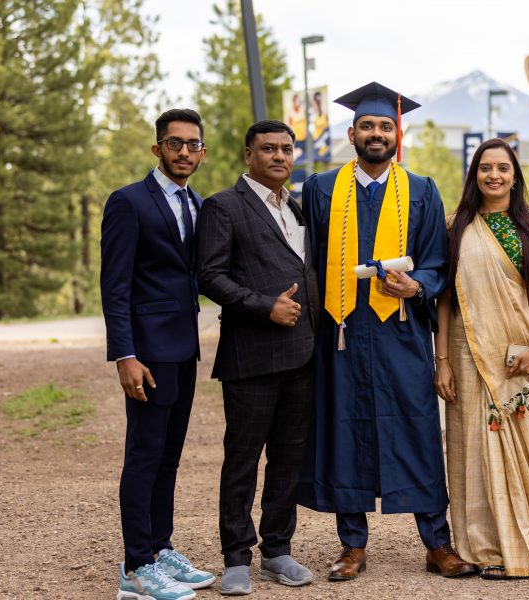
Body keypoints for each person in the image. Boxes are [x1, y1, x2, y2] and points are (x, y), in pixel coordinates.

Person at [298, 81, 475, 581]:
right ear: (351, 132)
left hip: (400, 334)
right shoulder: (321, 189)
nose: (376, 134)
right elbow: (306, 259)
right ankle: (352, 545)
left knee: (416, 429)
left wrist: (415, 285)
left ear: (398, 132)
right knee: (344, 429)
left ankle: (437, 543)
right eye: (367, 126)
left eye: (385, 126)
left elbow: (437, 263)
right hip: (341, 332)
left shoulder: (421, 190)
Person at [434, 137, 529, 580]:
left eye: (503, 168)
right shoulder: (455, 226)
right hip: (465, 351)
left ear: (515, 175)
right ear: (474, 175)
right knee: (472, 448)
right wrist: (442, 359)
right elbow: (443, 299)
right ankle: (485, 547)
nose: (494, 175)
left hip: (522, 353)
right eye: (485, 168)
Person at [197, 120, 319, 595]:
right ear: (249, 154)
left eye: (287, 149)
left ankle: (277, 552)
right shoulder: (223, 207)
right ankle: (235, 558)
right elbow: (209, 276)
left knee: (289, 459)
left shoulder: (299, 209)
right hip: (251, 356)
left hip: (304, 355)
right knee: (242, 458)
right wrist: (264, 305)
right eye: (268, 149)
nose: (279, 157)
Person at [101, 108, 215, 600]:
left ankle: (160, 547)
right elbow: (115, 286)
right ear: (157, 149)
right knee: (144, 456)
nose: (184, 152)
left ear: (202, 152)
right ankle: (134, 567)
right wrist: (125, 354)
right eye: (175, 144)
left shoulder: (200, 205)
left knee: (169, 457)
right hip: (146, 353)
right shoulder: (128, 203)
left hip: (183, 350)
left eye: (192, 145)